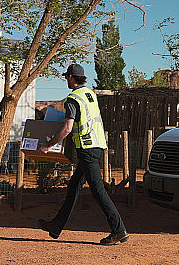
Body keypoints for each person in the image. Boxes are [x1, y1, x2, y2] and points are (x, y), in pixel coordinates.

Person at [37, 63, 129, 245]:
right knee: (73, 186)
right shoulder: (89, 94)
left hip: (87, 149)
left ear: (71, 77)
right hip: (96, 146)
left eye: (66, 77)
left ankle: (119, 230)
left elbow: (67, 128)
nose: (66, 80)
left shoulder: (73, 99)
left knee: (98, 191)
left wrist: (48, 145)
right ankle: (56, 226)